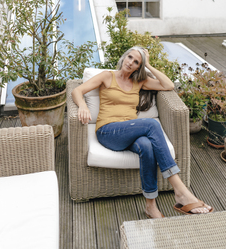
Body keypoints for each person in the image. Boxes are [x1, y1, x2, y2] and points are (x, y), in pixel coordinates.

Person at [72, 46, 213, 218]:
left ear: (139, 67)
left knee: (146, 146)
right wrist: (83, 106)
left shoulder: (139, 81)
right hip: (108, 132)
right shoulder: (107, 76)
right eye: (130, 57)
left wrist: (150, 66)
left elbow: (168, 86)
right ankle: (180, 190)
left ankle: (150, 206)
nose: (131, 62)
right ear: (124, 57)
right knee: (151, 125)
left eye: (137, 62)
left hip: (131, 132)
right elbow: (77, 90)